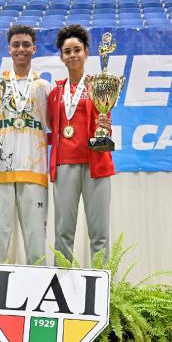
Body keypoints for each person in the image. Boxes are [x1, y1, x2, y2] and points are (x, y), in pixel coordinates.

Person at [0, 25, 50, 265]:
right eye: (16, 45)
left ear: (34, 49)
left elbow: (54, 127)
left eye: (26, 45)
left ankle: (38, 288)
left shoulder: (44, 87)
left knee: (36, 236)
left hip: (34, 168)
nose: (21, 49)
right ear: (9, 49)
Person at [47, 24, 114, 262]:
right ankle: (60, 288)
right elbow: (51, 126)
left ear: (86, 52)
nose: (72, 55)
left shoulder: (100, 85)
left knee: (100, 235)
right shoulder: (55, 92)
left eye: (77, 49)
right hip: (65, 164)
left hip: (96, 163)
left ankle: (103, 291)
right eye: (67, 51)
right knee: (63, 234)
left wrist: (105, 126)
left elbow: (105, 120)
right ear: (61, 57)